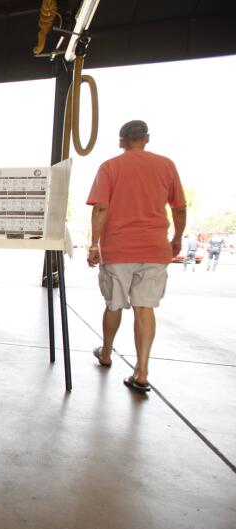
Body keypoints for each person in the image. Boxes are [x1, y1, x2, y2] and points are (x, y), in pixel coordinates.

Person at [86, 120, 186, 393]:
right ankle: (142, 371)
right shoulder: (166, 165)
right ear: (147, 139)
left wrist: (94, 245)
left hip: (118, 248)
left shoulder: (110, 167)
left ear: (121, 141)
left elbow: (101, 208)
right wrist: (177, 237)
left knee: (114, 304)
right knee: (145, 309)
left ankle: (106, 353)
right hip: (154, 248)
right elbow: (179, 207)